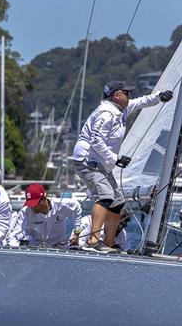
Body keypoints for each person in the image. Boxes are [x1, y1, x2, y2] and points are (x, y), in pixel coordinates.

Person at [73, 79, 173, 252]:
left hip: (100, 163)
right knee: (105, 197)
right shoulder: (106, 113)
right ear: (116, 95)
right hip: (88, 161)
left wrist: (159, 97)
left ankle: (108, 243)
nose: (129, 96)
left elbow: (141, 102)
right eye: (126, 93)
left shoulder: (121, 109)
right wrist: (116, 159)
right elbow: (96, 140)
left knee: (117, 202)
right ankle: (93, 241)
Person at [6, 184, 83, 248]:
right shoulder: (25, 211)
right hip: (36, 247)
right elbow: (14, 235)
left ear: (44, 198)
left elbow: (77, 206)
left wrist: (76, 233)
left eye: (35, 204)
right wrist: (15, 248)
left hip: (59, 246)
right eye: (30, 204)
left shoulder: (62, 204)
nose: (33, 208)